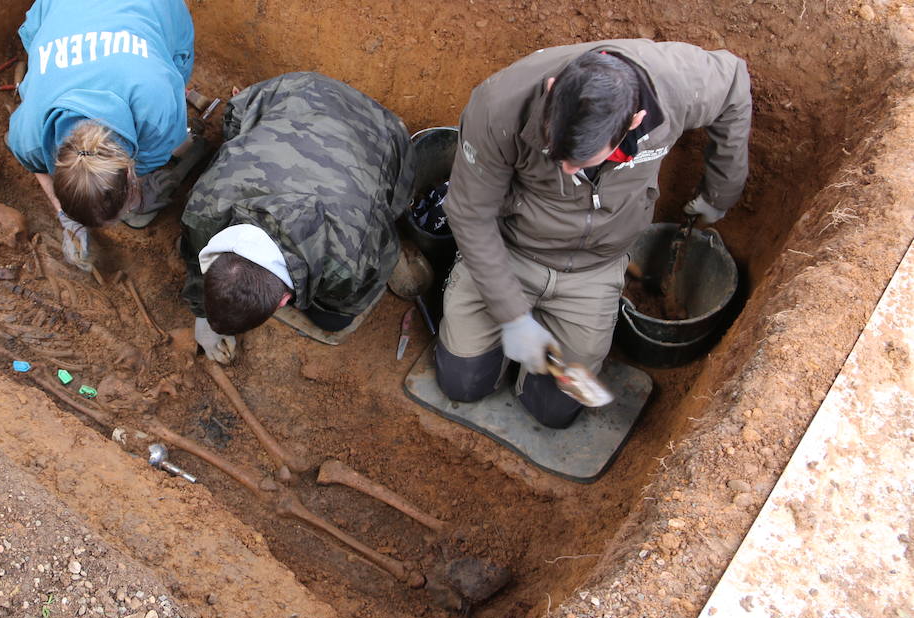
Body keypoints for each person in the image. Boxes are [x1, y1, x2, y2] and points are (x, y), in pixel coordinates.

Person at [438, 41, 751, 427]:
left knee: (552, 411)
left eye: (582, 160)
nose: (567, 171)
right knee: (462, 384)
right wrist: (513, 316)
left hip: (593, 270)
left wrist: (721, 191)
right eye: (556, 153)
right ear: (553, 89)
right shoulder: (499, 105)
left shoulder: (677, 85)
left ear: (633, 123)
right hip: (508, 249)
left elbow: (735, 82)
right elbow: (470, 215)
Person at [179, 72, 415, 363]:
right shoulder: (206, 204)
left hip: (384, 132)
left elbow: (386, 253)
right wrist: (203, 317)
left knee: (333, 320)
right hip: (299, 89)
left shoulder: (349, 260)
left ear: (283, 302)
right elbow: (194, 254)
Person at [5, 0, 199, 270]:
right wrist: (66, 218)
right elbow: (36, 167)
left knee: (171, 68)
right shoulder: (27, 138)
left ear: (132, 175)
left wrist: (137, 194)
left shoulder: (158, 110)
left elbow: (155, 149)